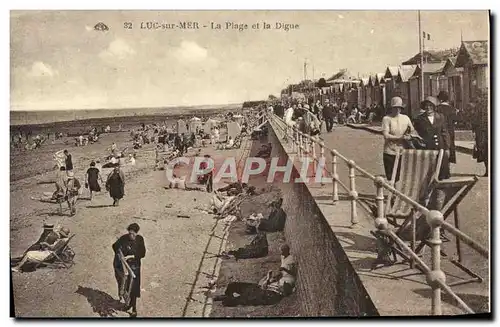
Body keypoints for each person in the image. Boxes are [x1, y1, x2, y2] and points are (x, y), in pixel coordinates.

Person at [413, 96, 451, 181]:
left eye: (430, 105)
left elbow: (444, 132)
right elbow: (415, 133)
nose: (428, 108)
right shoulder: (419, 119)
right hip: (426, 148)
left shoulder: (440, 117)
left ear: (434, 107)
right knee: (427, 172)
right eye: (426, 106)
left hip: (440, 147)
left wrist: (447, 147)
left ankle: (439, 191)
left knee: (441, 170)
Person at [112, 223, 146, 317]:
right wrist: (120, 253)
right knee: (126, 287)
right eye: (130, 233)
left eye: (133, 234)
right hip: (125, 267)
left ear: (136, 233)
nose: (131, 236)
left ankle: (134, 309)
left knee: (134, 289)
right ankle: (128, 304)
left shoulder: (140, 240)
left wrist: (133, 256)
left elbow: (143, 253)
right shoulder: (124, 238)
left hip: (135, 267)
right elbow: (114, 246)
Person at [381, 97, 416, 183]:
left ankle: (397, 194)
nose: (397, 110)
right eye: (395, 107)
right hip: (389, 151)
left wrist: (409, 136)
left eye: (399, 108)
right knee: (391, 176)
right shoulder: (386, 119)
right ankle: (392, 194)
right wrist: (399, 138)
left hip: (402, 151)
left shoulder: (406, 118)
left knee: (400, 176)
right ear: (391, 108)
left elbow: (412, 131)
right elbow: (386, 135)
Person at [436, 91, 458, 164]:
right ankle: (448, 163)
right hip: (450, 130)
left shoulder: (437, 108)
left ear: (440, 99)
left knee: (440, 146)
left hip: (439, 130)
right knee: (450, 146)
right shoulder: (452, 109)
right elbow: (456, 121)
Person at [471, 102, 488, 177]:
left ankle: (488, 170)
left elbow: (474, 119)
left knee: (483, 150)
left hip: (482, 132)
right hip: (481, 131)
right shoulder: (478, 107)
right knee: (484, 150)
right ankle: (488, 170)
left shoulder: (478, 107)